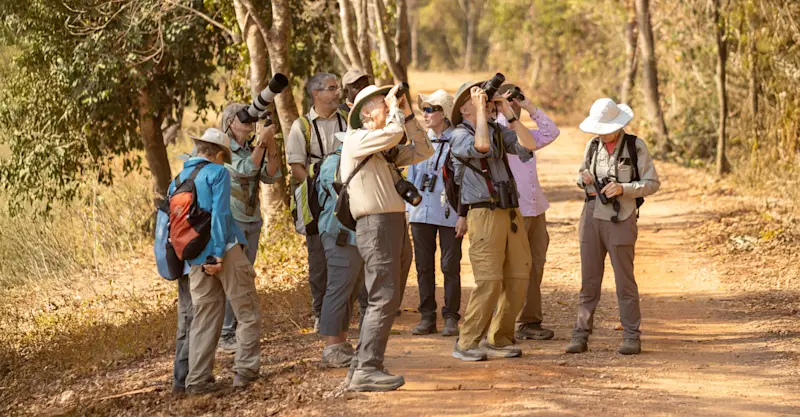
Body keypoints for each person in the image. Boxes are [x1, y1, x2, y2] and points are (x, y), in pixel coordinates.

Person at [340, 84, 433, 391]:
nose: (390, 105)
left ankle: (360, 365)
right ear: (366, 113)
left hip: (392, 224)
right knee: (383, 295)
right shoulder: (357, 139)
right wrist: (396, 112)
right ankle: (368, 368)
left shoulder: (383, 150)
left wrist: (407, 116)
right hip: (376, 225)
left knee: (388, 297)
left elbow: (424, 150)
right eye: (383, 102)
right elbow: (393, 133)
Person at [449, 80, 537, 362]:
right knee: (489, 281)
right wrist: (480, 111)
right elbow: (482, 146)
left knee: (519, 277)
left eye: (487, 100)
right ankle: (467, 342)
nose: (486, 103)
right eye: (477, 100)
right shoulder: (459, 135)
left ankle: (499, 338)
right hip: (483, 213)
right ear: (464, 109)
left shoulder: (498, 129)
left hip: (509, 212)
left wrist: (509, 114)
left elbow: (529, 145)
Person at [566, 98, 660, 355]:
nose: (601, 133)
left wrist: (623, 188)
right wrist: (584, 179)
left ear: (618, 125)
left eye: (605, 128)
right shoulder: (592, 145)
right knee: (589, 281)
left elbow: (652, 183)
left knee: (624, 282)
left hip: (621, 218)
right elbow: (580, 176)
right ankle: (580, 335)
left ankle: (631, 336)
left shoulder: (635, 146)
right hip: (591, 217)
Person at [177, 128, 262, 394]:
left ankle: (197, 381)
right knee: (247, 311)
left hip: (194, 257)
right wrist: (217, 254)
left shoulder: (178, 178)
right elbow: (221, 215)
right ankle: (245, 372)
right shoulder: (218, 173)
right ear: (218, 154)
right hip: (224, 250)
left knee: (204, 318)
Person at [494, 85, 561, 341]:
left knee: (536, 264)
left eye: (516, 100)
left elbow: (552, 132)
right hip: (514, 210)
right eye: (508, 101)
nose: (514, 105)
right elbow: (500, 126)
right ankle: (503, 323)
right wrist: (503, 109)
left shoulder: (526, 135)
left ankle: (530, 321)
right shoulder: (497, 134)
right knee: (513, 267)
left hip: (536, 207)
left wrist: (530, 107)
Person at [215, 103, 282, 353]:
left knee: (244, 277)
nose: (249, 120)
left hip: (252, 218)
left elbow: (270, 175)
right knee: (235, 277)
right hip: (234, 220)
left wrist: (270, 142)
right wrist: (262, 143)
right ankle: (225, 334)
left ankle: (234, 330)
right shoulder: (224, 150)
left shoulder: (249, 148)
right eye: (243, 117)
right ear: (230, 122)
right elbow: (246, 170)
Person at [286, 73, 348, 331]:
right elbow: (296, 167)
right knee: (319, 259)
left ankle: (346, 310)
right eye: (332, 88)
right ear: (316, 94)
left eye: (337, 88)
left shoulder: (347, 120)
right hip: (317, 202)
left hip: (347, 198)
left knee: (349, 252)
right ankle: (320, 313)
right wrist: (320, 187)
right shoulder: (301, 126)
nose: (337, 93)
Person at [406, 90, 463, 337]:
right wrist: (408, 211)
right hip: (420, 212)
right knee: (423, 266)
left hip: (449, 212)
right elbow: (411, 177)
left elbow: (463, 181)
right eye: (424, 109)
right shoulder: (420, 141)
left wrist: (464, 214)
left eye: (430, 109)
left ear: (444, 113)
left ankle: (451, 316)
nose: (425, 114)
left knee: (450, 265)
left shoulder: (458, 140)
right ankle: (427, 316)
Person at [315, 138, 366, 368]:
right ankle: (331, 348)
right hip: (339, 235)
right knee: (338, 289)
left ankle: (340, 343)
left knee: (349, 290)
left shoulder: (349, 160)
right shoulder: (335, 163)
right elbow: (342, 196)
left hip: (351, 236)